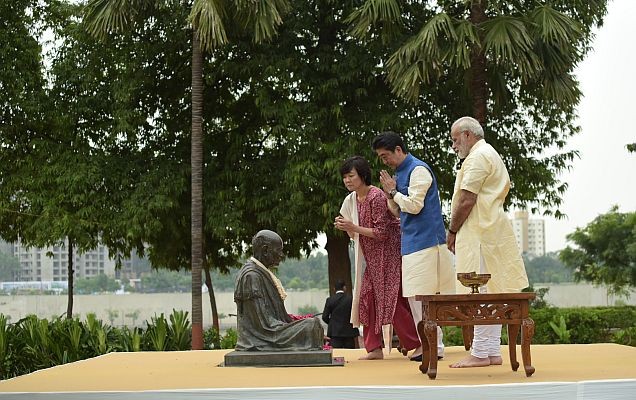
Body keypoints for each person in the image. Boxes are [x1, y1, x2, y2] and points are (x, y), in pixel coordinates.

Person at [446, 116, 529, 368]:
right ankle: (491, 351)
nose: (453, 146)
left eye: (455, 139)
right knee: (491, 292)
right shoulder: (486, 153)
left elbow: (466, 199)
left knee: (479, 292)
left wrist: (452, 230)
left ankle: (480, 352)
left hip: (481, 232)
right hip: (489, 231)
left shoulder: (478, 156)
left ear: (468, 135)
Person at [372, 132, 456, 361]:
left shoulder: (419, 170)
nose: (384, 161)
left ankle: (433, 347)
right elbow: (397, 211)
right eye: (381, 157)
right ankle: (427, 345)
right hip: (411, 242)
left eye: (386, 155)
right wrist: (391, 194)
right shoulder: (399, 174)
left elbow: (415, 206)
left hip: (427, 242)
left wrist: (392, 191)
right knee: (416, 296)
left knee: (425, 297)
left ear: (399, 150)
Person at [334, 156, 421, 360]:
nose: (347, 180)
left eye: (351, 176)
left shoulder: (376, 196)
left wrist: (353, 227)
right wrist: (347, 227)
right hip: (372, 259)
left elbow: (382, 233)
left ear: (362, 175)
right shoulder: (352, 200)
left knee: (392, 302)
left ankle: (417, 344)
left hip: (389, 255)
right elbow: (355, 230)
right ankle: (374, 349)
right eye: (344, 177)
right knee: (368, 298)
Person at [234, 230, 324, 351]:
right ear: (265, 250)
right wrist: (294, 327)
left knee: (312, 324)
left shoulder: (261, 273)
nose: (282, 255)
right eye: (278, 250)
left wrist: (292, 323)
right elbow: (263, 324)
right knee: (311, 326)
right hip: (263, 337)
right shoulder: (251, 276)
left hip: (272, 330)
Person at [322, 279, 359, 349]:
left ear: (334, 289)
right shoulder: (351, 299)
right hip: (349, 333)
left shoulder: (330, 300)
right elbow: (355, 314)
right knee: (350, 354)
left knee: (336, 354)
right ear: (344, 288)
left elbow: (324, 317)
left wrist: (332, 323)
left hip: (335, 333)